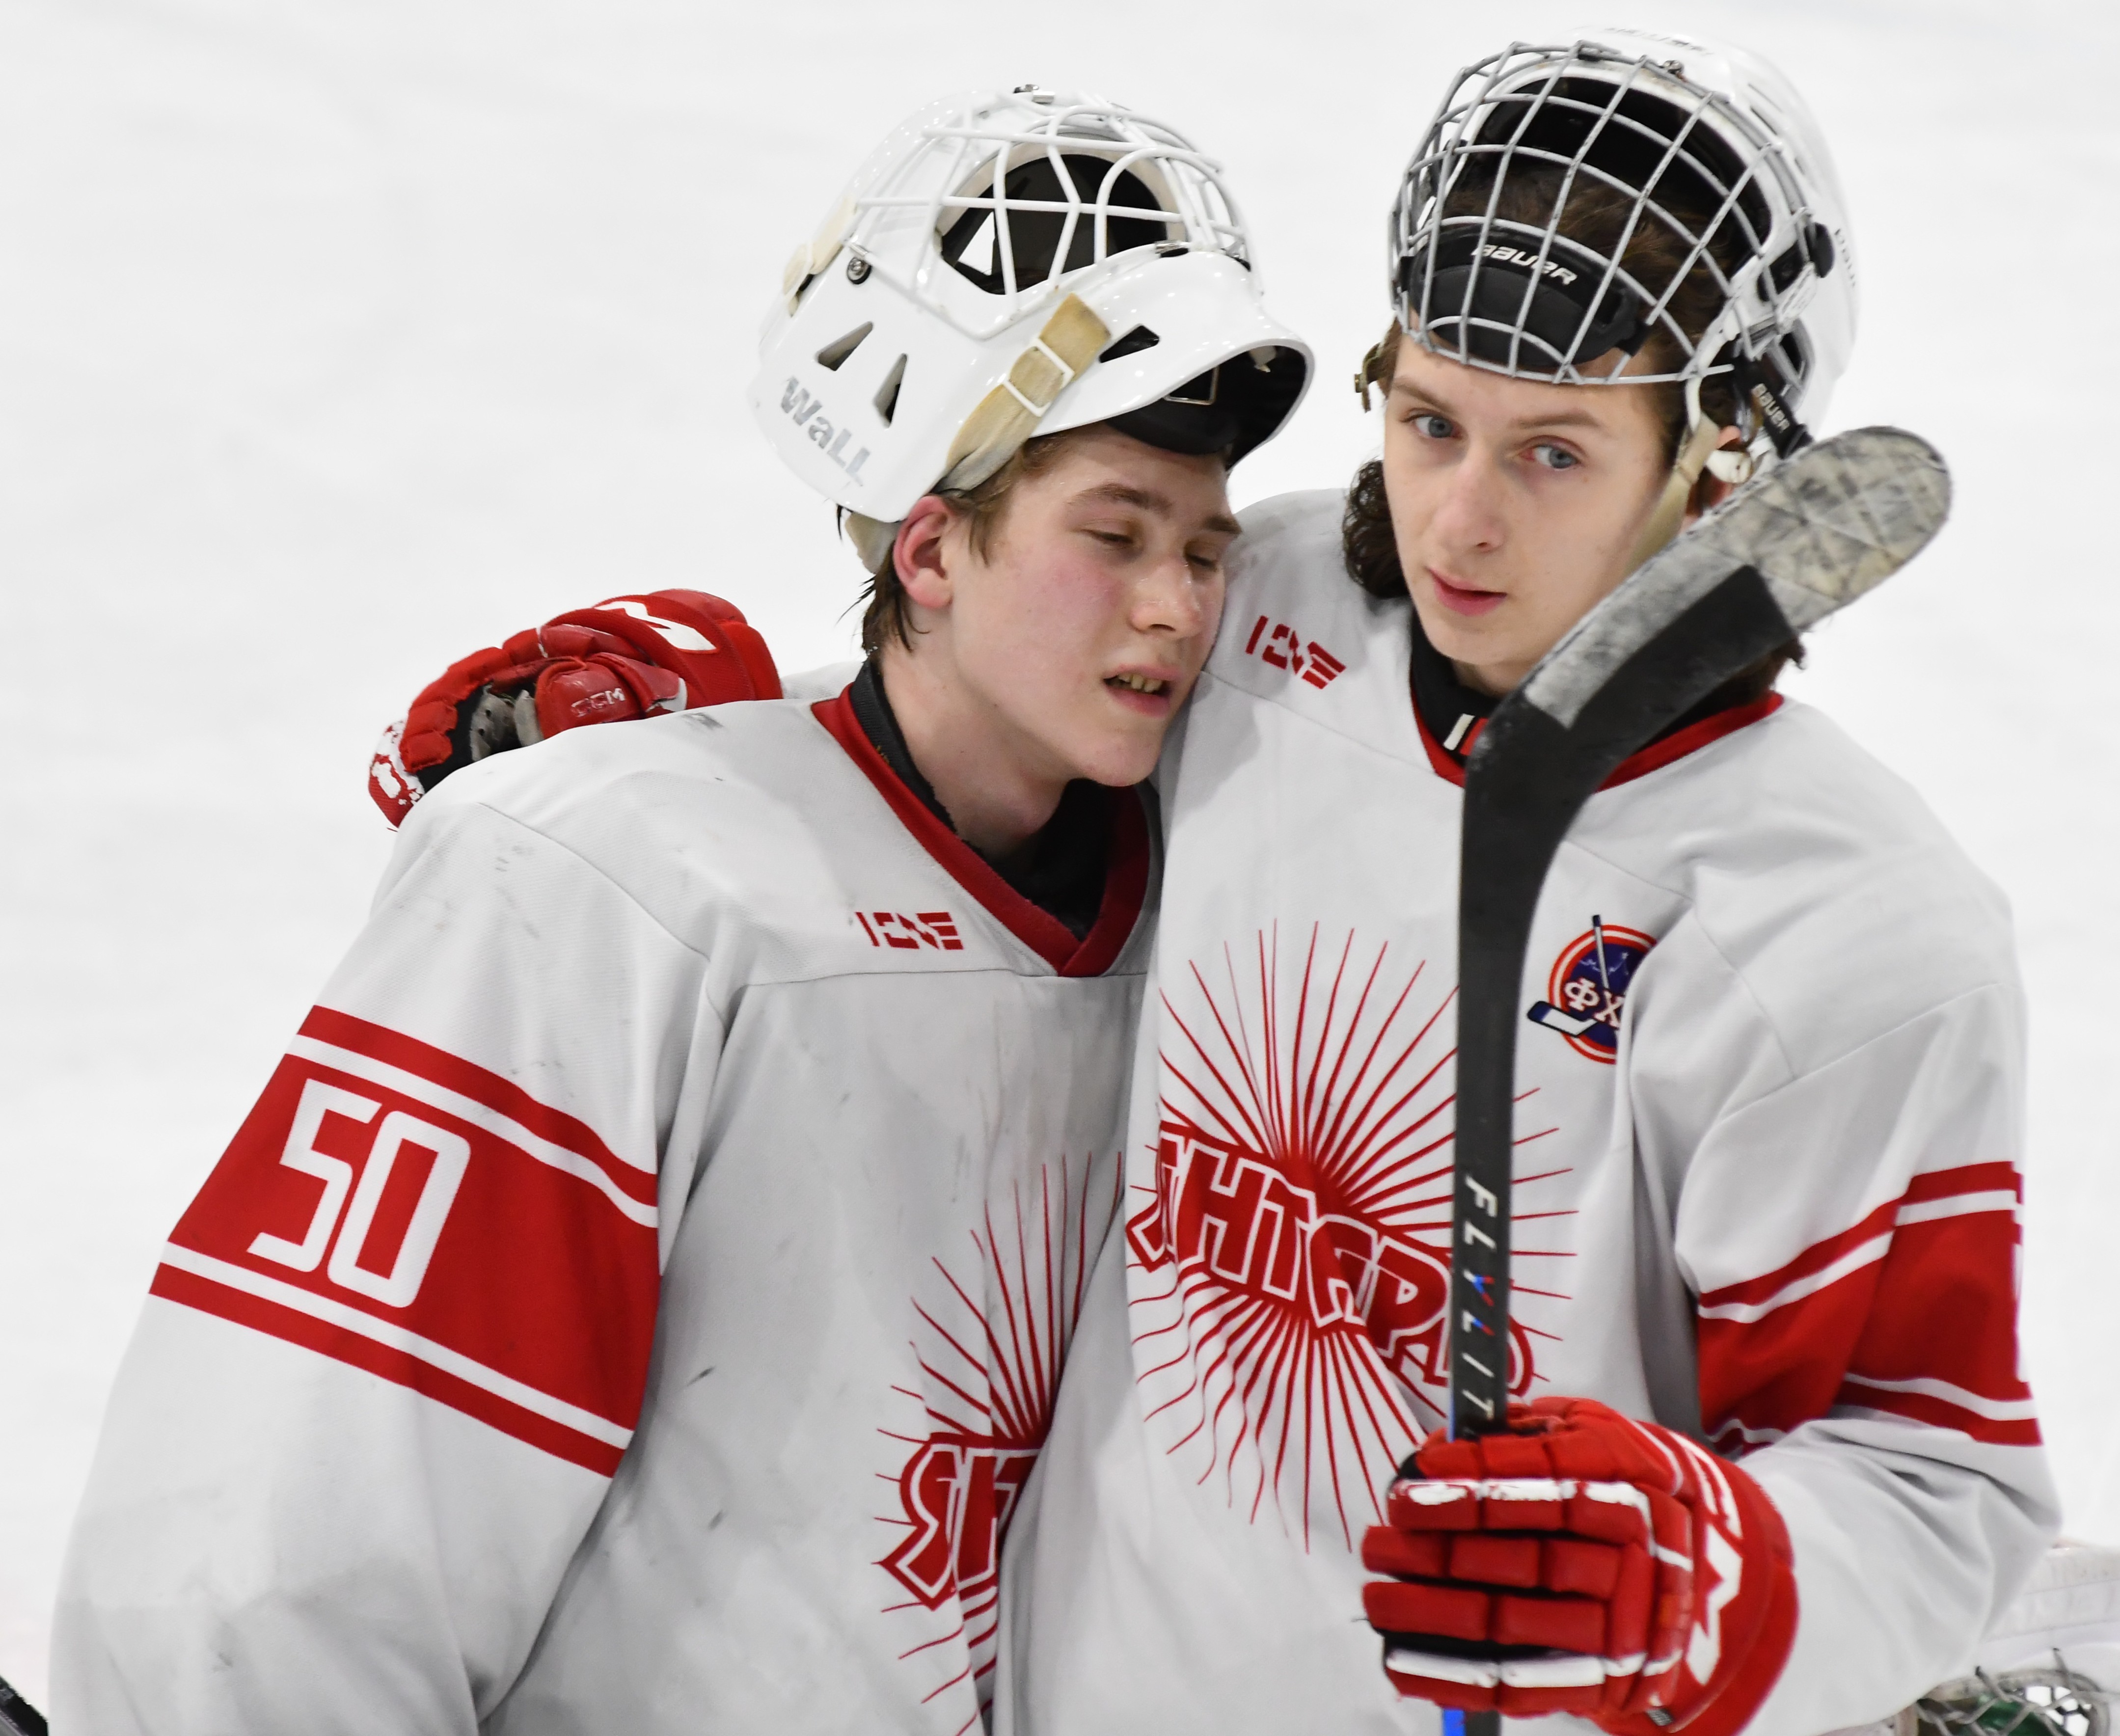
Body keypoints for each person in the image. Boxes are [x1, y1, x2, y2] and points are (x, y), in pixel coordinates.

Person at [50, 86, 1309, 1734]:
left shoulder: (1235, 905)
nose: (1176, 607)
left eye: (1208, 549)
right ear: (930, 549)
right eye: (1113, 535)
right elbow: (277, 1561)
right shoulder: (620, 889)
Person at [991, 31, 2058, 1736]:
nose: (1456, 525)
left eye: (1552, 453)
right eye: (1427, 421)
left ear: (1720, 464)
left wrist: (1710, 1573)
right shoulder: (1250, 614)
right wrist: (688, 770)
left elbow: (1932, 1484)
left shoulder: (1850, 927)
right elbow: (974, 832)